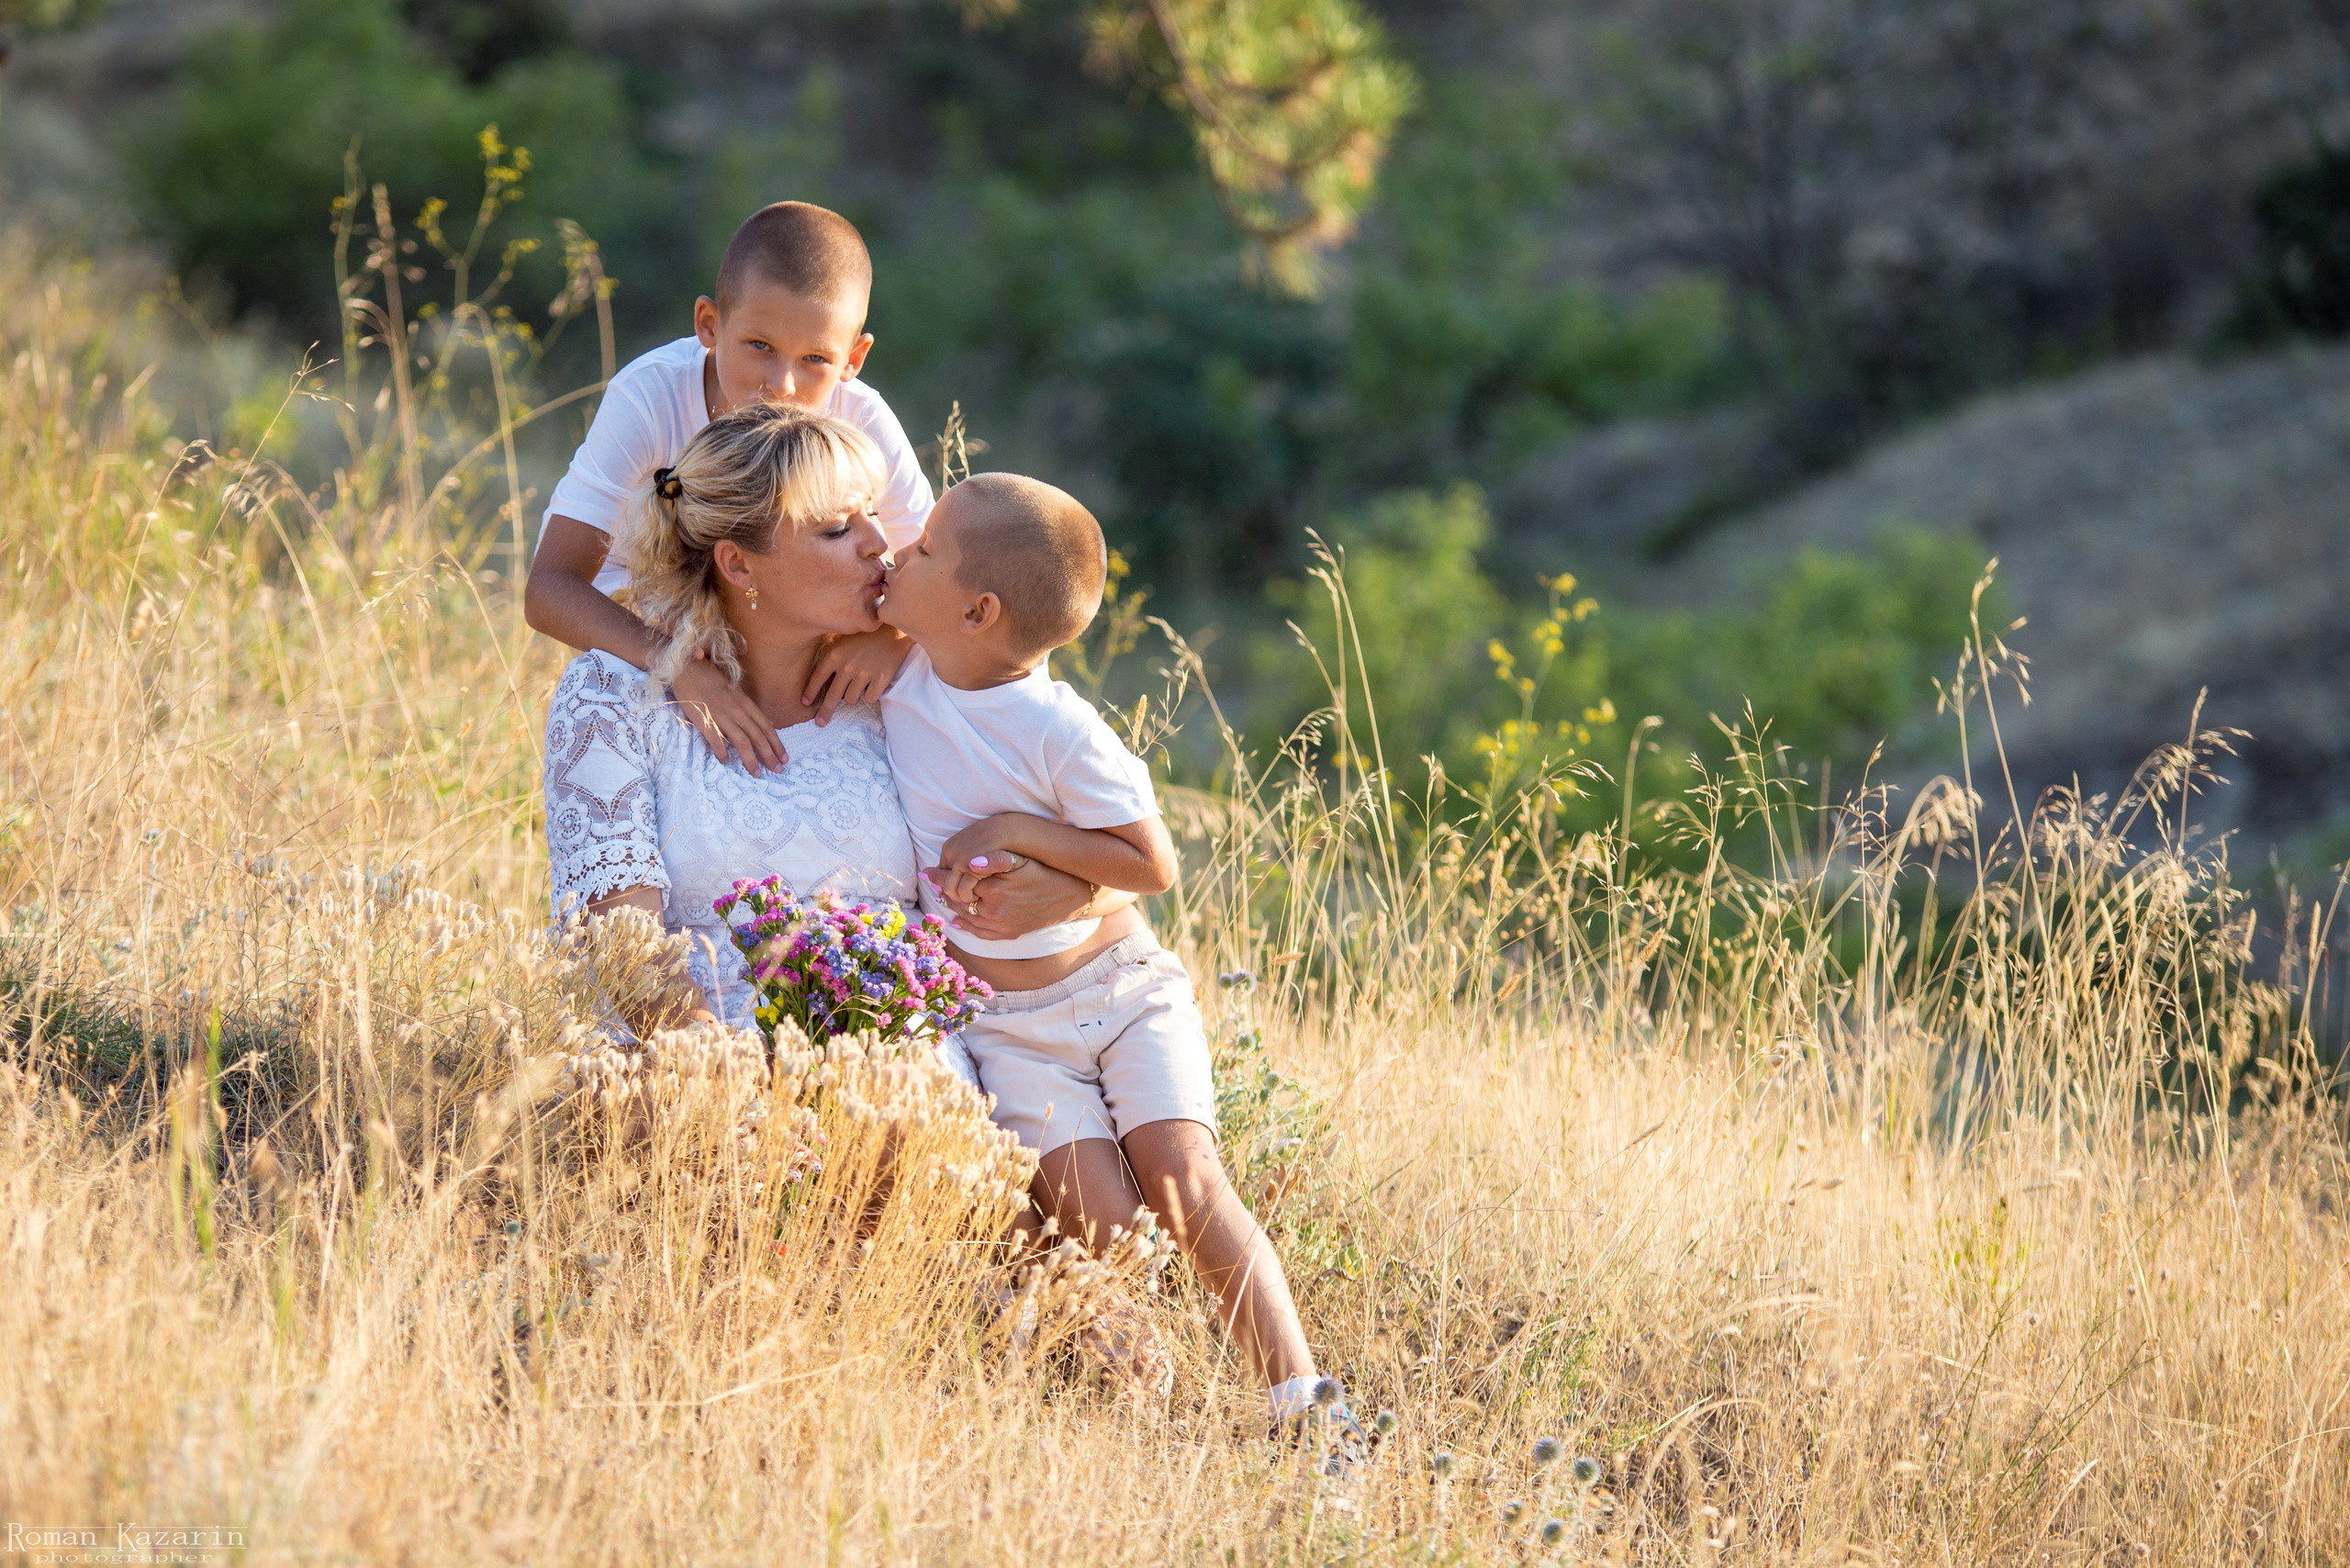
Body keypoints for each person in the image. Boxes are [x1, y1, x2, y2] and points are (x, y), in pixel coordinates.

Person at [876, 472, 1363, 1449]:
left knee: (1182, 1176)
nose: (897, 550)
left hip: (1119, 994)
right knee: (1109, 1236)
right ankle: (1153, 1406)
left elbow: (1151, 861)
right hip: (1010, 1032)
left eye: (922, 546)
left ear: (979, 610)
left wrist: (1022, 830)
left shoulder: (1061, 729)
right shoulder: (898, 673)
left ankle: (1305, 1406)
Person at [541, 405, 1125, 1034]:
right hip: (690, 1067)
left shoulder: (915, 690)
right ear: (739, 566)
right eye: (837, 530)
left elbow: (1107, 853)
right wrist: (735, 1077)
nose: (880, 542)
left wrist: (1083, 892)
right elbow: (622, 943)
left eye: (872, 511)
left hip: (899, 1063)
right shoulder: (612, 694)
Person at [526, 200, 926, 780]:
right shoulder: (649, 396)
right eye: (759, 345)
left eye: (816, 358)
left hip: (790, 648)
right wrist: (677, 665)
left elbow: (935, 569)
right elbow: (549, 590)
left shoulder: (862, 418)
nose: (782, 384)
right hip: (647, 640)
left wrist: (891, 637)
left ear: (854, 358)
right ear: (709, 324)